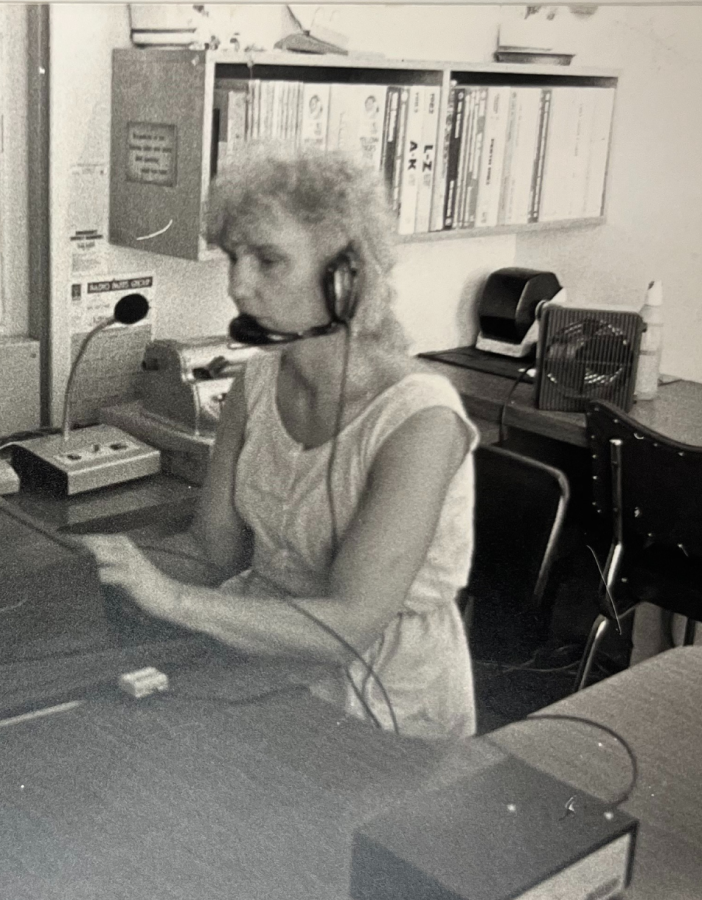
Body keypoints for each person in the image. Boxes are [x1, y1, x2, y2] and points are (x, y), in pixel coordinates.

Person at [82, 144, 480, 739]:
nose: (239, 287)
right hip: (259, 667)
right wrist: (105, 561)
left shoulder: (420, 421)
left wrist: (168, 598)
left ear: (345, 278)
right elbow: (212, 550)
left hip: (385, 708)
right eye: (232, 259)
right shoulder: (259, 379)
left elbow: (349, 625)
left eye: (268, 261)